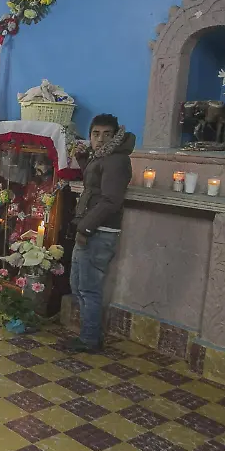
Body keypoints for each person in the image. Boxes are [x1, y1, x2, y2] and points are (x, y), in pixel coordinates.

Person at [69, 114, 134, 353]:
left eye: (107, 134)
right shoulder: (104, 158)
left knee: (88, 289)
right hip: (90, 228)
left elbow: (110, 199)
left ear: (116, 136)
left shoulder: (117, 161)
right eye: (96, 134)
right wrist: (83, 158)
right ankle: (89, 334)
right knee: (78, 286)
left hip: (99, 231)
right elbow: (95, 186)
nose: (100, 139)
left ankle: (89, 340)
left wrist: (86, 226)